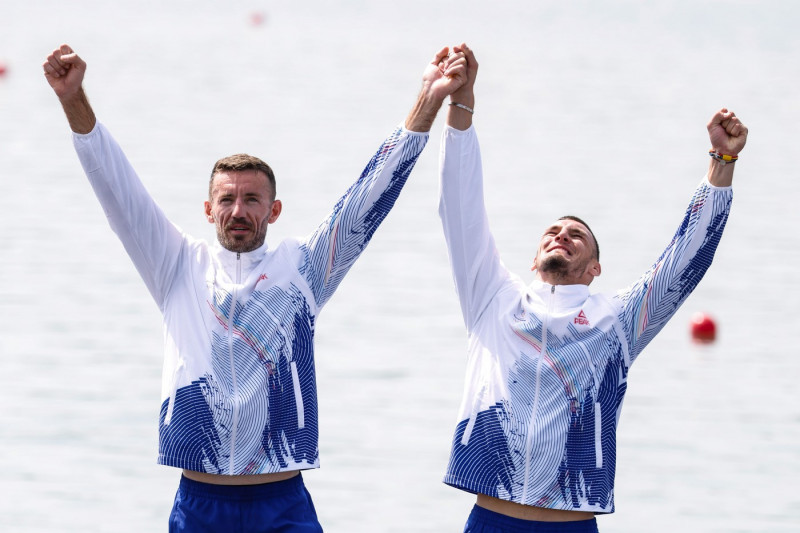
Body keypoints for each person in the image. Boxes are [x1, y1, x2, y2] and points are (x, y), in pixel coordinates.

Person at [43, 43, 467, 532]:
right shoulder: (177, 264)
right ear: (208, 210)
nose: (238, 211)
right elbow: (118, 190)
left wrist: (428, 99)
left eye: (252, 199)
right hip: (201, 502)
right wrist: (73, 100)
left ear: (274, 209)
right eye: (227, 199)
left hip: (282, 502)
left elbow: (366, 200)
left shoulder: (303, 269)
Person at [438, 44, 747, 532]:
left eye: (576, 235)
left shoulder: (617, 321)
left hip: (573, 522)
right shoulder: (493, 297)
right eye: (552, 232)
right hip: (492, 519)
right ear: (535, 256)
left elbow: (683, 264)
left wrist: (722, 161)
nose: (561, 235)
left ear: (593, 269)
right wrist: (460, 107)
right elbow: (460, 206)